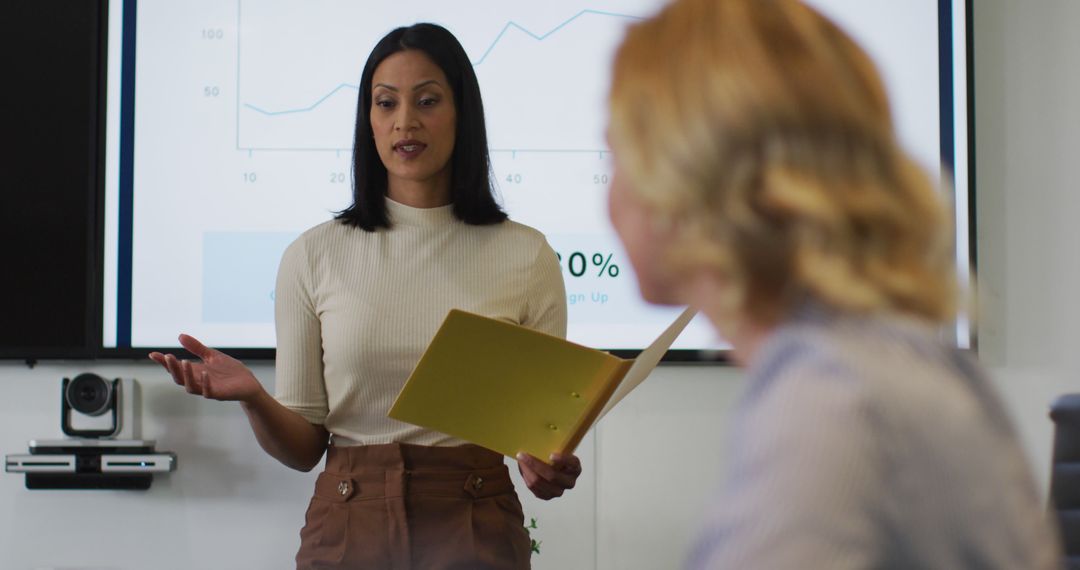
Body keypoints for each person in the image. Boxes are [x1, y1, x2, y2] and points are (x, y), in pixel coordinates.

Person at [605, 0, 1064, 568]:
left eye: (618, 154)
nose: (611, 195)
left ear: (690, 177)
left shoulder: (827, 401)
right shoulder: (905, 364)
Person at [150, 23, 581, 570]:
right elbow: (305, 450)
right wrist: (254, 397)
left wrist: (549, 471)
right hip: (349, 523)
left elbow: (542, 450)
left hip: (475, 521)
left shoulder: (527, 255)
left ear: (462, 113)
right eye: (385, 103)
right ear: (369, 121)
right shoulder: (313, 255)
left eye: (428, 100)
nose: (406, 121)